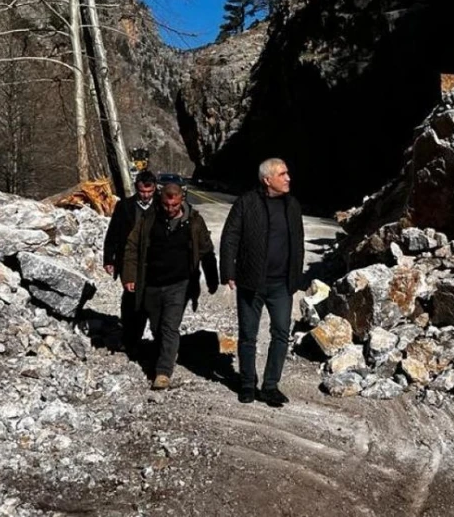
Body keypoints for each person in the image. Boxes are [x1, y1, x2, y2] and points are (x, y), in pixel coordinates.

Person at [220, 158, 304, 406]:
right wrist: (228, 271)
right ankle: (247, 384)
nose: (288, 178)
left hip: (281, 285)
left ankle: (270, 386)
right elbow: (230, 236)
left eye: (287, 173)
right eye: (282, 174)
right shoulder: (247, 202)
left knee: (280, 333)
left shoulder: (292, 205)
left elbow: (297, 242)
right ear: (267, 179)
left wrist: (296, 276)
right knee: (248, 335)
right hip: (251, 281)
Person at [124, 183, 219, 390]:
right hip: (152, 282)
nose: (170, 209)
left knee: (169, 326)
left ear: (182, 200)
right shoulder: (149, 219)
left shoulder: (194, 221)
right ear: (161, 201)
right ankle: (160, 355)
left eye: (174, 205)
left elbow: (206, 250)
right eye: (167, 205)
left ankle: (163, 372)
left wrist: (213, 279)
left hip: (180, 283)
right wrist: (130, 276)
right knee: (157, 327)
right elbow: (132, 247)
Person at [102, 171, 157, 356]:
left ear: (154, 188)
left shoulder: (162, 206)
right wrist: (109, 259)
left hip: (154, 262)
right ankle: (130, 339)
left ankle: (158, 342)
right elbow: (113, 233)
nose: (146, 195)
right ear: (137, 188)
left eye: (149, 191)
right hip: (128, 261)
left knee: (152, 300)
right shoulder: (124, 206)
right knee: (131, 301)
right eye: (142, 191)